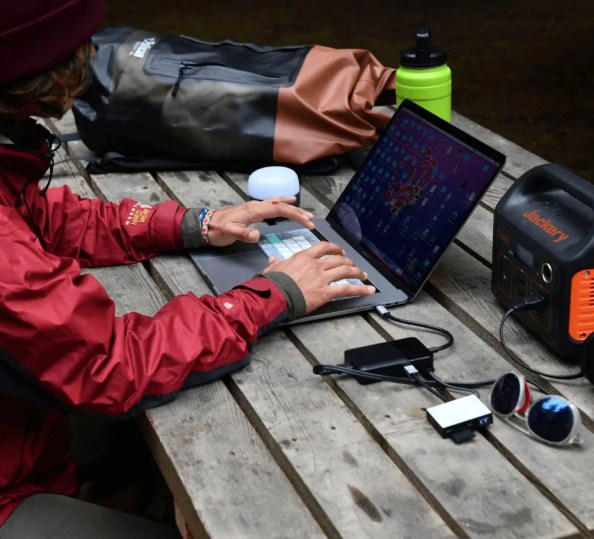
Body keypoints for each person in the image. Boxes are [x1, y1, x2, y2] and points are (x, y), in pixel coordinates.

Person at [0, 1, 375, 536]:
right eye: (81, 45)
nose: (98, 52)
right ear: (33, 76)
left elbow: (44, 219)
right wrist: (273, 295)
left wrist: (195, 223)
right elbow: (111, 366)